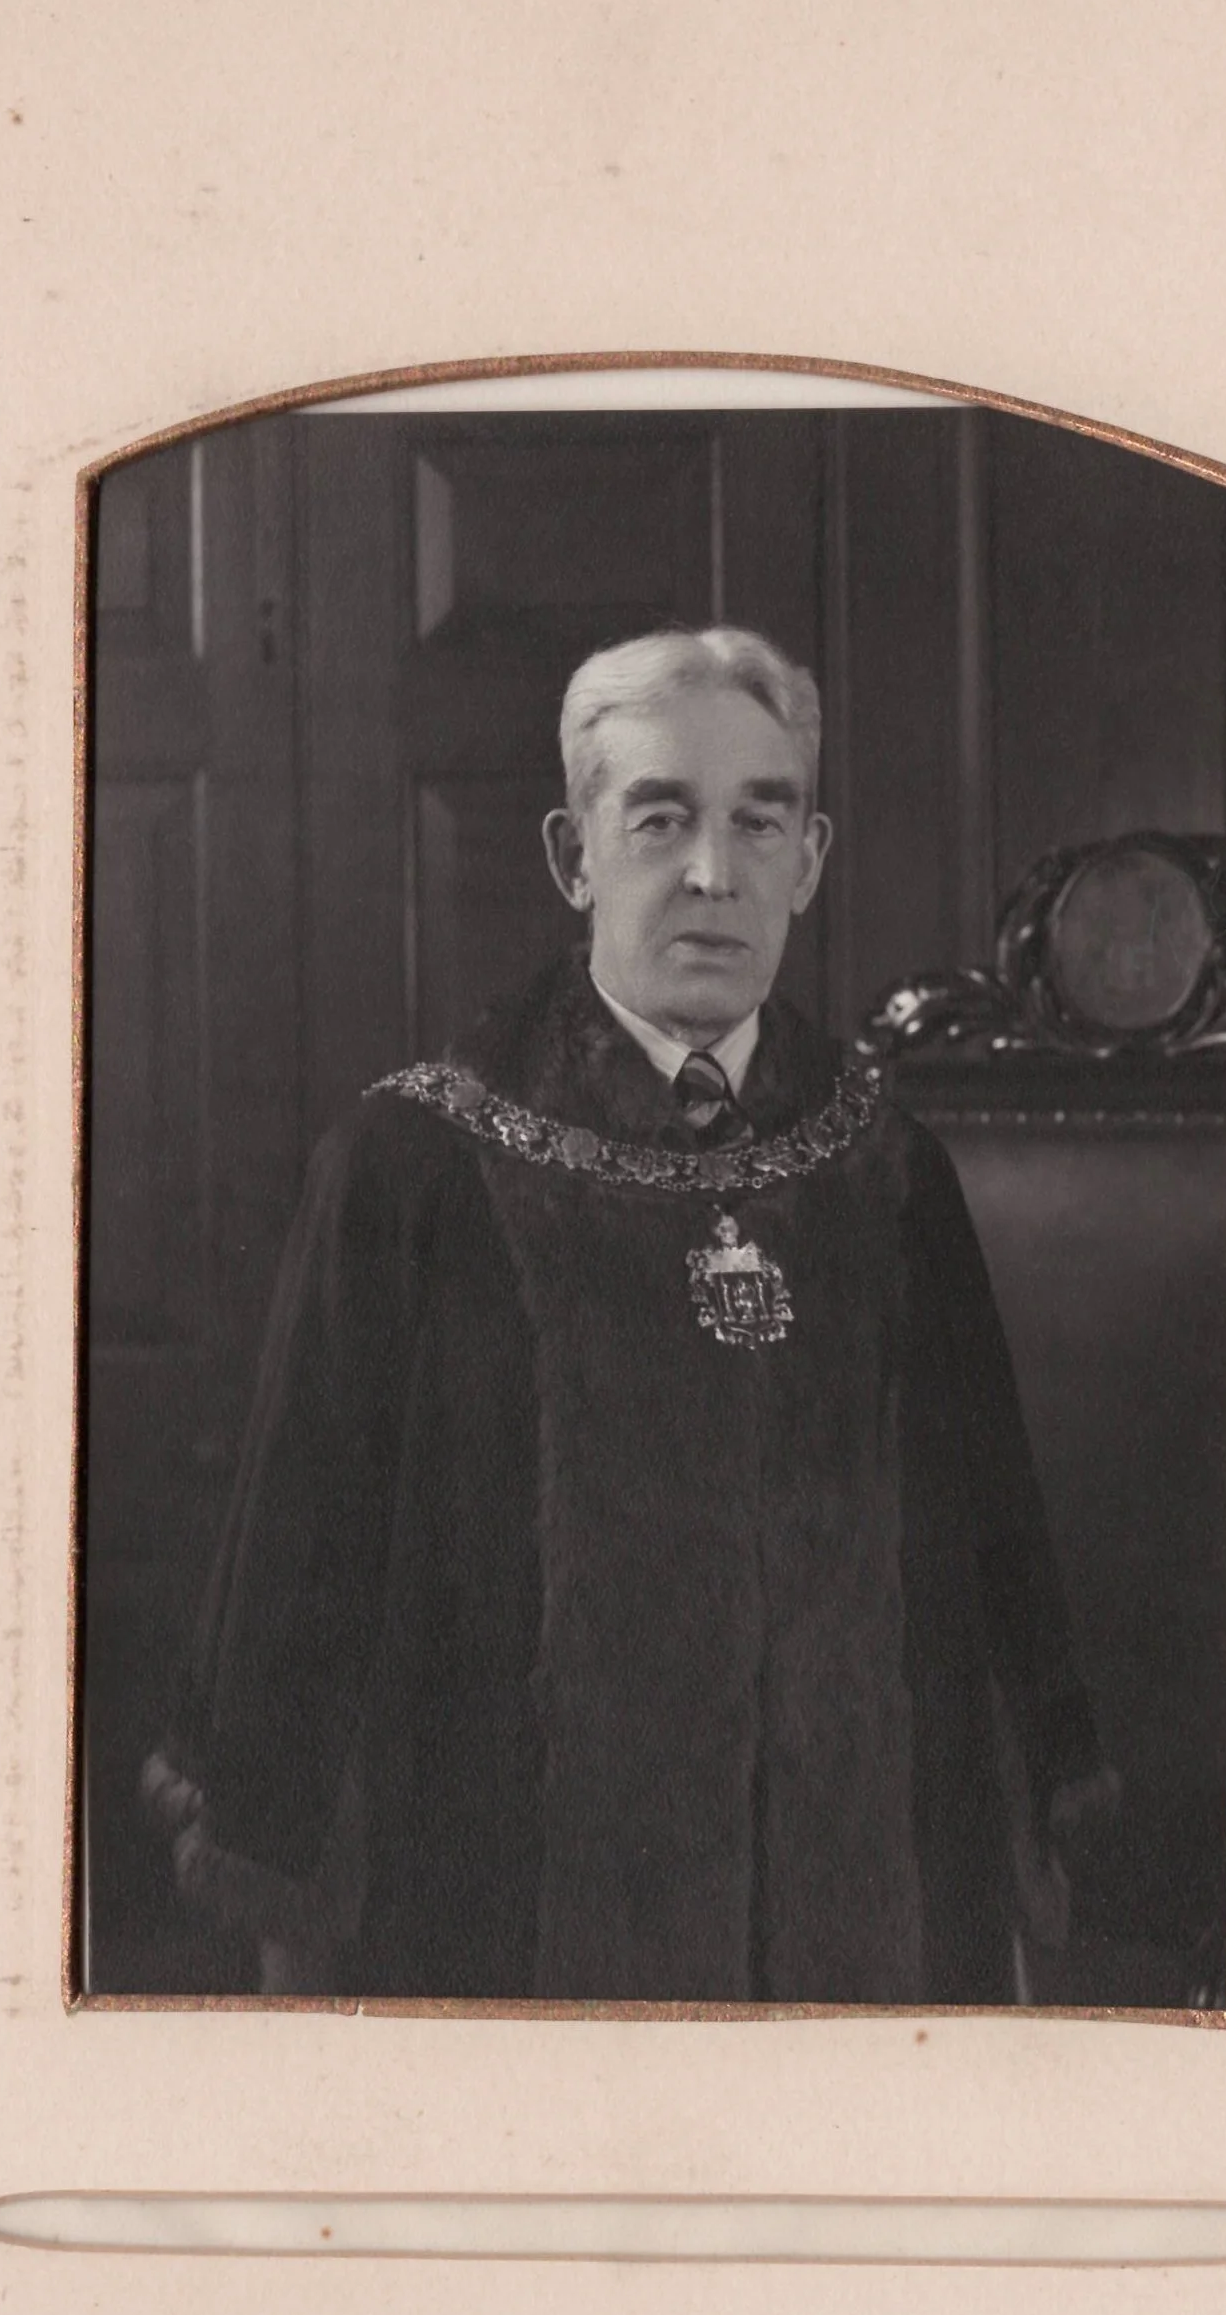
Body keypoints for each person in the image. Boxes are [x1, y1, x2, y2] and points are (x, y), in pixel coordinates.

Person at [148, 624, 1115, 2004]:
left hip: (853, 1959)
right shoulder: (415, 1166)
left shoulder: (888, 1168)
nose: (713, 873)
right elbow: (293, 1598)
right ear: (574, 854)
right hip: (497, 1939)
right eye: (660, 818)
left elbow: (991, 1585)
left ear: (811, 859)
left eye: (757, 820)